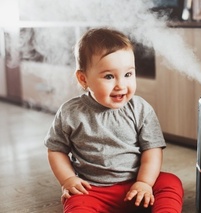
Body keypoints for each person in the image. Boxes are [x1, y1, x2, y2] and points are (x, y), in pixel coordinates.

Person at [44, 27, 184, 213]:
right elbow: (56, 150)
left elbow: (152, 150)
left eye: (128, 74)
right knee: (76, 202)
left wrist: (144, 183)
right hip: (93, 190)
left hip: (137, 185)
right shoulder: (70, 112)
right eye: (109, 76)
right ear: (83, 78)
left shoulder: (140, 109)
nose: (121, 85)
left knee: (170, 182)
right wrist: (68, 180)